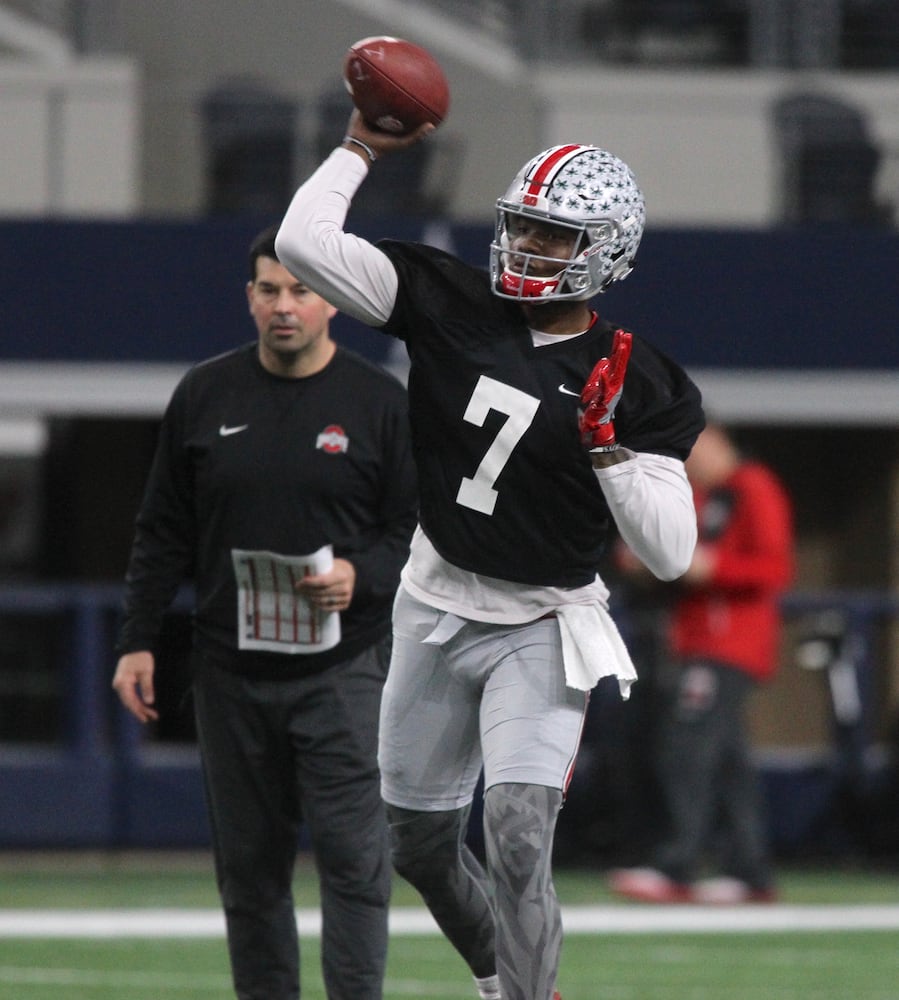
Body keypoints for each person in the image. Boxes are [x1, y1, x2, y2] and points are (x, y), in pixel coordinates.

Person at [275, 116, 705, 1000]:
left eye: (555, 233)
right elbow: (301, 243)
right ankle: (501, 977)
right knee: (420, 845)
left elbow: (668, 553)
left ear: (604, 251)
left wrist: (607, 448)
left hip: (543, 621)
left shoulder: (639, 378)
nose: (529, 245)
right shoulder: (449, 296)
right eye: (524, 223)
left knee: (514, 827)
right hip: (434, 601)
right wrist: (360, 145)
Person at [111, 225, 418, 1000]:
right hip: (229, 675)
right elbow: (161, 528)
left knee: (355, 864)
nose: (284, 306)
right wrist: (137, 639)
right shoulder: (205, 394)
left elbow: (418, 535)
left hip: (342, 671)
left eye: (301, 290)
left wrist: (361, 573)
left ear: (334, 303)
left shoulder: (380, 403)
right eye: (269, 290)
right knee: (249, 876)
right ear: (248, 298)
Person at [609, 422, 794, 904]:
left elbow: (774, 567)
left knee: (685, 749)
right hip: (695, 641)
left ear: (716, 439)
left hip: (729, 643)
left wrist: (711, 567)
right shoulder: (704, 494)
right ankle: (749, 871)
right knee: (728, 761)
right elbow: (675, 558)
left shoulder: (752, 487)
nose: (687, 462)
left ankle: (677, 865)